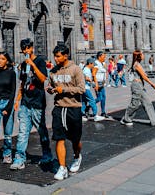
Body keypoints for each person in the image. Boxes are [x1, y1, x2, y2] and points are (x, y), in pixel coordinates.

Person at [11, 38, 52, 170]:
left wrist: (33, 65)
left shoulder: (39, 61)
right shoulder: (23, 65)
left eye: (27, 48)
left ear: (32, 48)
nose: (25, 51)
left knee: (42, 131)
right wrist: (17, 100)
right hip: (25, 103)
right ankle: (19, 158)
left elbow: (42, 79)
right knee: (22, 132)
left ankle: (47, 154)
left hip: (37, 103)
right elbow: (22, 84)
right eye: (23, 49)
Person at [48, 44, 85, 181]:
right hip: (59, 108)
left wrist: (63, 89)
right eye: (55, 56)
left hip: (73, 108)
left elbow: (81, 89)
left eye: (58, 56)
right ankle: (62, 167)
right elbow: (53, 86)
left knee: (75, 139)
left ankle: (77, 156)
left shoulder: (76, 70)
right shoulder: (53, 72)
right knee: (59, 138)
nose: (56, 59)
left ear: (65, 55)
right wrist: (51, 89)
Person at [121, 50, 155, 127]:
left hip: (140, 85)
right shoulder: (136, 65)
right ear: (139, 56)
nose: (143, 56)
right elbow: (144, 76)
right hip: (136, 86)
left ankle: (154, 121)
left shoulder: (138, 64)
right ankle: (126, 119)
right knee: (135, 104)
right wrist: (152, 84)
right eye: (142, 54)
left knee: (148, 102)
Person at [92, 52, 107, 120]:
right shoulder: (96, 63)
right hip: (97, 83)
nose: (105, 58)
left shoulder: (102, 63)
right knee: (99, 98)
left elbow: (104, 71)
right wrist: (96, 84)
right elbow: (93, 74)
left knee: (103, 97)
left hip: (102, 83)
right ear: (99, 57)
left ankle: (103, 112)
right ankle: (89, 106)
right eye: (103, 57)